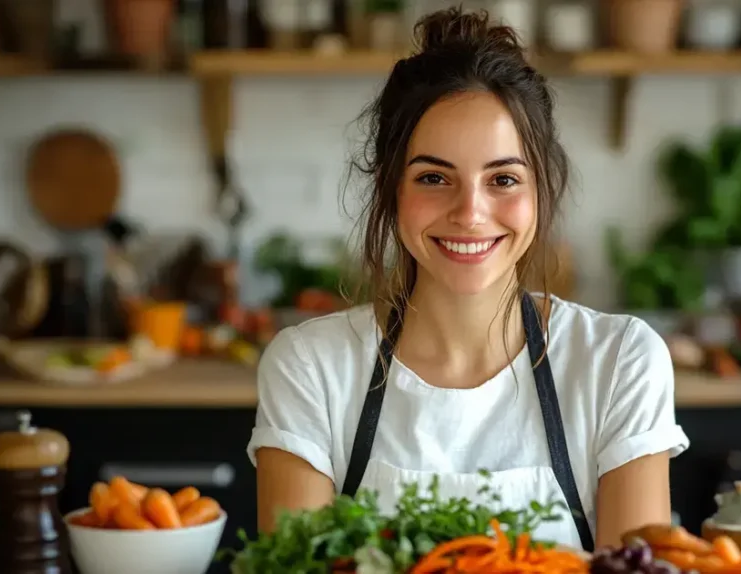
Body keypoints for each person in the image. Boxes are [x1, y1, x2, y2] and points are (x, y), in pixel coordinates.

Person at [249, 7, 689, 551]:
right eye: (433, 177)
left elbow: (636, 565)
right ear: (390, 188)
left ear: (541, 189)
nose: (470, 212)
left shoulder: (618, 362)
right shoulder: (311, 369)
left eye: (503, 178)